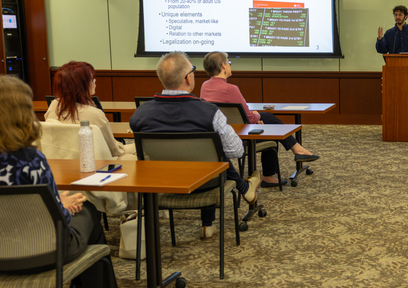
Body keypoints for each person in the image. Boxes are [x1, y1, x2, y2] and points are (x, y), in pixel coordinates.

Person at [0, 77, 115, 288]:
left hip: (3, 253)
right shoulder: (31, 160)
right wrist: (62, 206)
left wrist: (55, 200)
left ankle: (79, 285)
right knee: (90, 210)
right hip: (44, 251)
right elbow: (58, 221)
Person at [129, 52, 261, 240]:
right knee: (213, 155)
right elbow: (237, 151)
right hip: (206, 183)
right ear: (188, 78)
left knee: (208, 155)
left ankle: (211, 221)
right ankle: (242, 190)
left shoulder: (140, 114)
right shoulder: (209, 112)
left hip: (162, 183)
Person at [199, 51, 319, 188]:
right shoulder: (231, 89)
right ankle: (285, 160)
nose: (230, 65)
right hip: (240, 139)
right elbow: (249, 117)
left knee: (267, 121)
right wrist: (256, 117)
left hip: (219, 137)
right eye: (229, 62)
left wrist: (255, 118)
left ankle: (295, 150)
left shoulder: (205, 86)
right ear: (223, 66)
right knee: (270, 126)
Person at [45, 61, 136, 160]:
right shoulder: (95, 114)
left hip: (61, 160)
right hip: (94, 162)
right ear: (82, 86)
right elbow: (114, 150)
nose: (95, 81)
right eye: (92, 80)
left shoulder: (54, 105)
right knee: (136, 151)